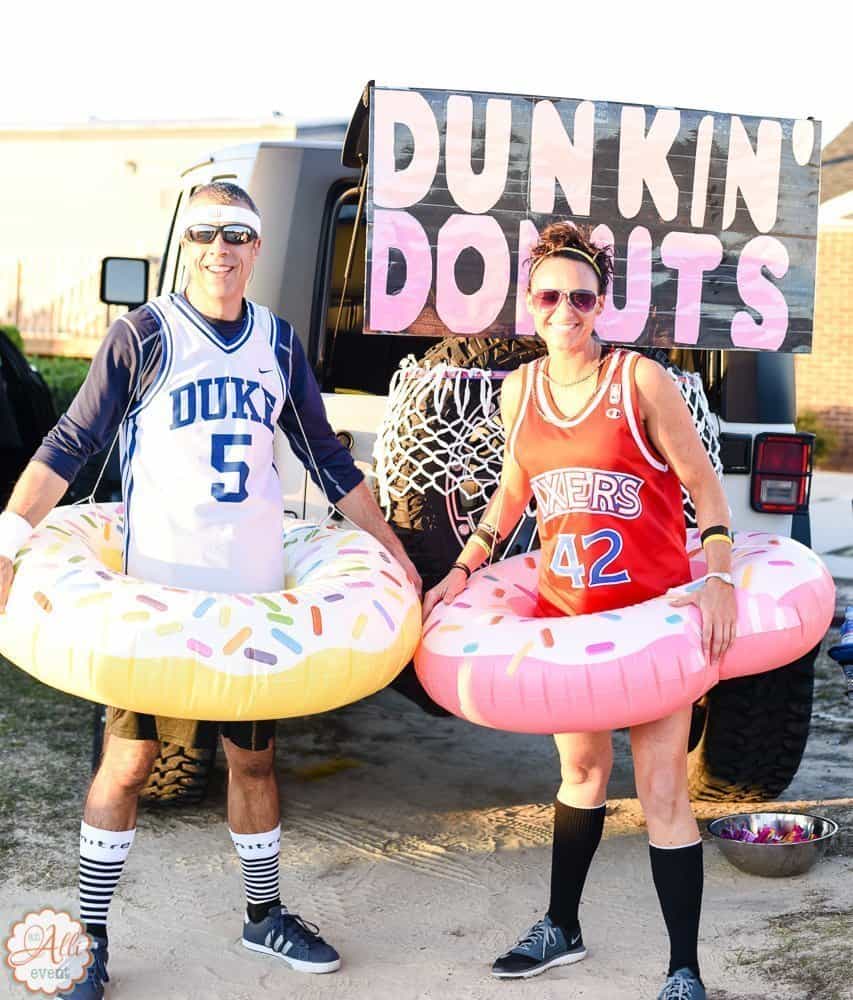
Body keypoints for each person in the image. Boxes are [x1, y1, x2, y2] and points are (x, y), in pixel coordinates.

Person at [0, 182, 421, 999]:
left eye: (237, 233)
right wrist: (9, 539)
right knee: (128, 763)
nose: (220, 247)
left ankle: (262, 915)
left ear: (256, 248)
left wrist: (390, 549)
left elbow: (327, 459)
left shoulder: (277, 342)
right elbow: (69, 441)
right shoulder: (145, 335)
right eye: (204, 233)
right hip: (159, 600)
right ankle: (89, 940)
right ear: (187, 245)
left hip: (249, 600)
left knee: (253, 764)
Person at [422, 222, 736, 1000]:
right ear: (528, 304)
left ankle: (683, 971)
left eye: (581, 297)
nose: (566, 309)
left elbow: (702, 484)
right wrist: (464, 566)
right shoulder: (518, 391)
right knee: (582, 770)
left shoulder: (639, 383)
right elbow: (510, 493)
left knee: (662, 787)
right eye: (549, 296)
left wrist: (720, 574)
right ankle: (561, 927)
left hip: (652, 619)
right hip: (570, 619)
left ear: (601, 306)